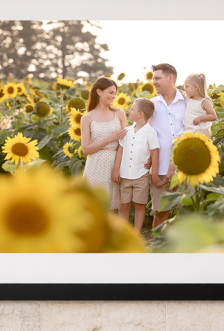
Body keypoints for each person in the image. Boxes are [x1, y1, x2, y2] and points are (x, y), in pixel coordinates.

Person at [145, 63, 187, 228]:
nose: (153, 82)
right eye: (153, 78)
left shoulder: (187, 102)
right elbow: (144, 133)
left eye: (157, 78)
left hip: (188, 167)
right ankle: (158, 249)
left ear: (170, 78)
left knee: (188, 212)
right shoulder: (151, 105)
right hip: (161, 167)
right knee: (161, 212)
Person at [111, 99, 159, 234]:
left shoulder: (151, 132)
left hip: (141, 175)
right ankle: (123, 234)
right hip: (124, 174)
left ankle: (136, 234)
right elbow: (120, 151)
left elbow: (154, 154)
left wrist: (153, 174)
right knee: (124, 205)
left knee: (139, 205)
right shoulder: (126, 131)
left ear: (140, 114)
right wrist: (116, 170)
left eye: (132, 109)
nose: (129, 111)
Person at [80, 77, 127, 210]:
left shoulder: (119, 114)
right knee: (94, 207)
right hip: (94, 165)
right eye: (111, 92)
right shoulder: (86, 118)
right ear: (99, 92)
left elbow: (124, 143)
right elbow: (86, 150)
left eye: (114, 93)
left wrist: (117, 168)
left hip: (115, 165)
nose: (114, 96)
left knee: (114, 207)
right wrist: (110, 138)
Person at [183, 73, 216, 137]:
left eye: (187, 86)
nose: (184, 89)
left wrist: (200, 118)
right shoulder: (189, 98)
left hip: (200, 133)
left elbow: (213, 116)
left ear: (195, 87)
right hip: (189, 131)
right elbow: (181, 92)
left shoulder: (204, 101)